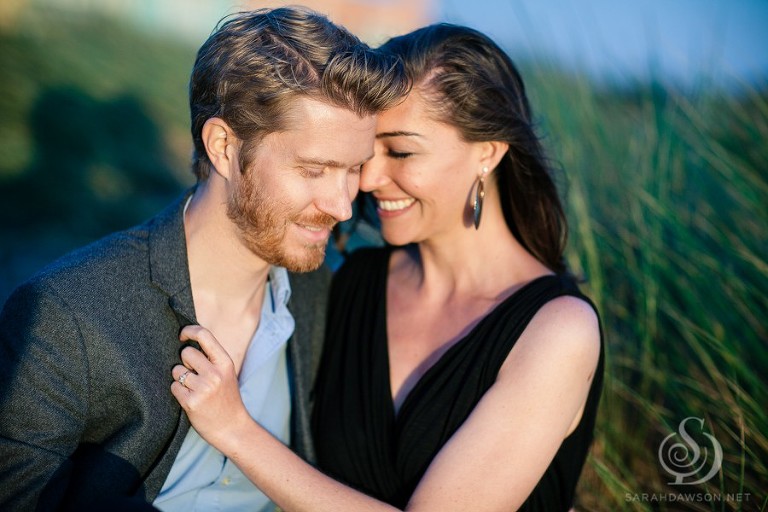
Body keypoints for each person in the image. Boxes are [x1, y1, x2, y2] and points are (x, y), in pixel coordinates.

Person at [170, 23, 604, 512]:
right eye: (367, 152)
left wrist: (235, 430)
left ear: (487, 153)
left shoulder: (558, 331)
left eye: (401, 151)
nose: (370, 179)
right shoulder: (354, 280)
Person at [0, 7, 407, 511]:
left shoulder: (321, 293)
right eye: (314, 170)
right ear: (223, 146)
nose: (342, 205)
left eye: (353, 169)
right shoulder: (66, 313)